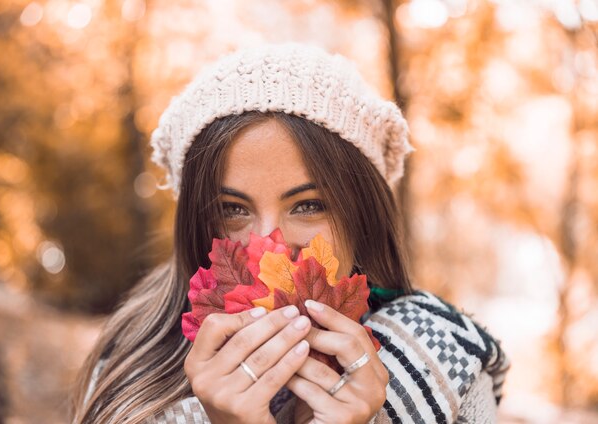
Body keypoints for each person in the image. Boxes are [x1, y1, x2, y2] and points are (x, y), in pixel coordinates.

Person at [71, 43, 510, 424]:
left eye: (308, 205)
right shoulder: (130, 366)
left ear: (363, 219)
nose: (270, 245)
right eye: (232, 210)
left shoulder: (444, 361)